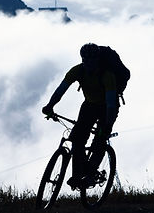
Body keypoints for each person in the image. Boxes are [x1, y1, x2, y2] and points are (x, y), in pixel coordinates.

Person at [42, 43, 119, 189]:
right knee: (77, 139)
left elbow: (110, 104)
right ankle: (78, 175)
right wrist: (50, 106)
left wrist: (107, 125)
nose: (89, 63)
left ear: (97, 59)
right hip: (89, 106)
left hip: (107, 108)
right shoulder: (77, 71)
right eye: (86, 59)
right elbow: (60, 91)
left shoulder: (107, 75)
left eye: (92, 59)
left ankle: (90, 176)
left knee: (100, 140)